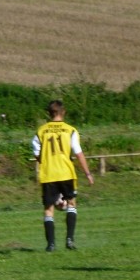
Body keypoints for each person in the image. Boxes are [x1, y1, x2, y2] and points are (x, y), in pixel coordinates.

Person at [32, 100, 94, 251]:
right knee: (71, 204)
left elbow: (37, 155)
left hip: (48, 174)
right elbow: (78, 154)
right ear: (63, 112)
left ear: (49, 113)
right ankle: (69, 240)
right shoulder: (70, 130)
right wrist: (88, 173)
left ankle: (51, 244)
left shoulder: (40, 132)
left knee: (48, 209)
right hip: (66, 172)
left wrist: (48, 161)